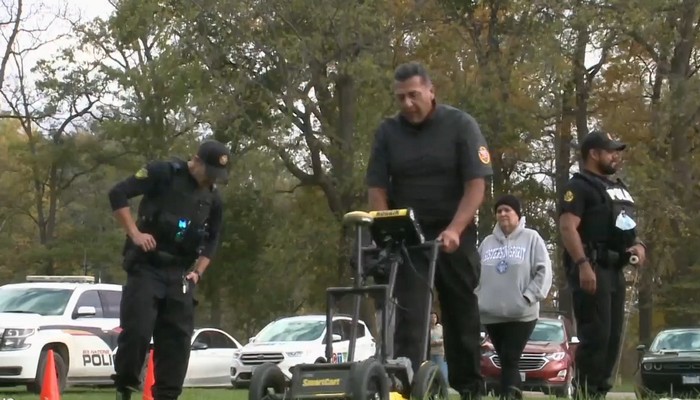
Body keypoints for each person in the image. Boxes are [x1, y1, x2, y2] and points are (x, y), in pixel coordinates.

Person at [365, 61, 493, 400]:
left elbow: (476, 185)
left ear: (431, 91)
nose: (407, 104)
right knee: (409, 310)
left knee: (460, 311)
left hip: (454, 231)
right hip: (409, 235)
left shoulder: (460, 125)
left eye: (414, 95)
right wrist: (387, 226)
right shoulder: (388, 132)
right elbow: (377, 187)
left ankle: (469, 388)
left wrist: (455, 229)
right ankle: (405, 386)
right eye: (401, 97)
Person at [108, 139, 229, 400]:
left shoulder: (212, 198)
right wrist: (135, 233)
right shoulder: (163, 172)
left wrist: (199, 271)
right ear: (196, 161)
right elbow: (117, 193)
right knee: (138, 332)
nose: (211, 180)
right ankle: (125, 389)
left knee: (177, 343)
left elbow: (213, 238)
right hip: (146, 266)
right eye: (209, 173)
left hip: (179, 275)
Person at [558, 130, 647, 399]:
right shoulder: (579, 186)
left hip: (614, 269)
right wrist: (583, 264)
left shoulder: (616, 188)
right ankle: (586, 391)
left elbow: (628, 227)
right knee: (596, 336)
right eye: (610, 151)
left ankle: (600, 391)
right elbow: (567, 226)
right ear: (593, 154)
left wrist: (639, 245)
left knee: (611, 337)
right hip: (591, 268)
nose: (616, 156)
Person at [476, 194, 553, 400]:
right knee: (505, 359)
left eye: (507, 210)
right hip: (491, 314)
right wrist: (478, 297)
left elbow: (544, 271)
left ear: (517, 214)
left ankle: (509, 395)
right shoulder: (487, 243)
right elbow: (475, 274)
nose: (502, 214)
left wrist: (528, 297)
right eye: (499, 211)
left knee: (510, 357)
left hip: (521, 314)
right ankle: (511, 393)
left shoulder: (532, 238)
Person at [429, 312, 449, 386]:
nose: (433, 319)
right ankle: (434, 386)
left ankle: (443, 385)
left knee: (442, 370)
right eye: (431, 317)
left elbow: (445, 338)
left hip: (440, 352)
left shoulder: (440, 328)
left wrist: (437, 342)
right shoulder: (428, 328)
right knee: (431, 371)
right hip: (431, 353)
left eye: (434, 317)